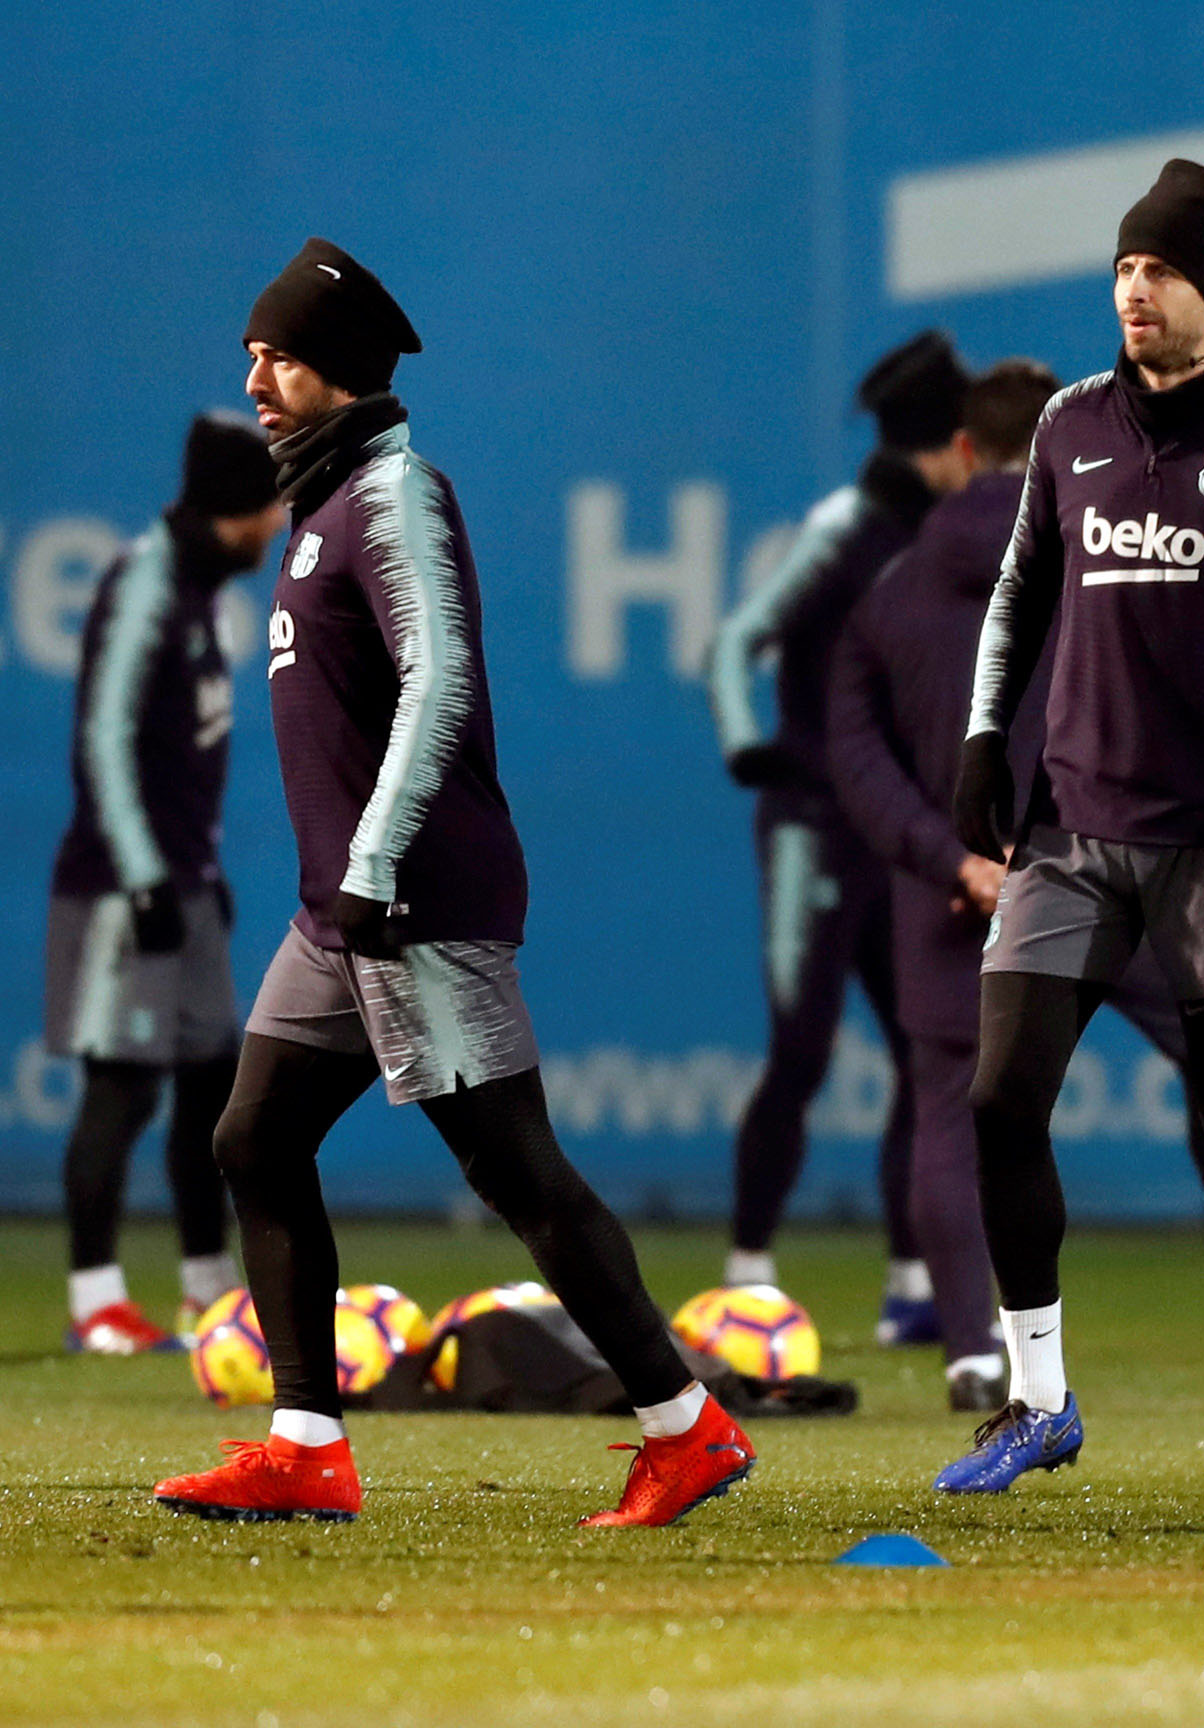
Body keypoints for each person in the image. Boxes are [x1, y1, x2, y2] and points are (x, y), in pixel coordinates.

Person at [151, 238, 750, 1527]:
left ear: (345, 370)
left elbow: (444, 684)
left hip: (409, 900)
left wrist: (373, 863)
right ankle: (307, 1445)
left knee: (520, 1173)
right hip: (343, 913)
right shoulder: (321, 503)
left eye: (282, 354)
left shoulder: (396, 495)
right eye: (252, 352)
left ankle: (684, 1425)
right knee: (253, 1139)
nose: (256, 376)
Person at [936, 159, 1204, 1502]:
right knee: (1001, 1102)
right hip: (1070, 832)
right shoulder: (1068, 426)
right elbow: (1016, 604)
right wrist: (979, 744)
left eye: (1161, 270)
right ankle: (1038, 1398)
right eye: (1124, 268)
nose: (1135, 290)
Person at [826, 361, 1204, 1413]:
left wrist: (954, 858)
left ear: (968, 451)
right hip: (1117, 841)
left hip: (964, 886)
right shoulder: (1112, 546)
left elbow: (853, 754)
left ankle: (981, 1356)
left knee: (961, 1112)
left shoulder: (889, 594)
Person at [706, 331, 970, 1343]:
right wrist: (750, 747)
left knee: (919, 1052)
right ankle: (749, 1275)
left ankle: (912, 1284)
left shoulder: (942, 536)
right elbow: (737, 638)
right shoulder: (845, 528)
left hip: (897, 839)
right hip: (816, 826)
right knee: (801, 1049)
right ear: (946, 442)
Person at [48, 413, 281, 1353]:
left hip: (185, 881)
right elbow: (103, 738)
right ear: (235, 510)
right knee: (122, 1088)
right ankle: (95, 1301)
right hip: (122, 887)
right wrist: (144, 879)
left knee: (213, 1087)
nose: (277, 526)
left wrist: (199, 873)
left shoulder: (195, 590)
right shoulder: (144, 584)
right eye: (269, 506)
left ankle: (206, 1290)